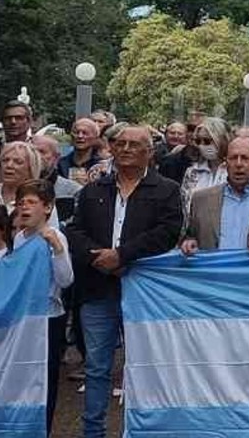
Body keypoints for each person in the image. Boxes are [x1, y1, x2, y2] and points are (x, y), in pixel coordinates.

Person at [65, 124, 182, 438]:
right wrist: (96, 257)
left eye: (135, 144)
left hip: (144, 292)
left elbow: (168, 232)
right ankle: (93, 432)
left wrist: (123, 255)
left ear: (149, 152)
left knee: (146, 366)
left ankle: (144, 430)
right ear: (112, 149)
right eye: (121, 143)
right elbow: (74, 231)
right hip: (98, 288)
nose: (127, 149)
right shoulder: (93, 190)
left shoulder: (167, 190)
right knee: (97, 368)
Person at [12, 179, 73, 436]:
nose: (24, 208)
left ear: (47, 208)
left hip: (48, 317)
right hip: (23, 318)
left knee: (45, 378)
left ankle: (43, 429)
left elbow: (66, 279)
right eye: (20, 203)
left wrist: (57, 250)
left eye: (31, 202)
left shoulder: (55, 236)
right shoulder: (18, 237)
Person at [0, 141, 59, 229]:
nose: (9, 165)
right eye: (5, 160)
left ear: (31, 168)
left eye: (18, 162)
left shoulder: (42, 201)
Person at [180, 117, 231, 211]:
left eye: (207, 141)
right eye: (198, 141)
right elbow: (185, 205)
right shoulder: (192, 172)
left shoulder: (233, 170)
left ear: (222, 140)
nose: (202, 145)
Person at [31, 134, 84, 219]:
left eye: (41, 152)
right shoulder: (16, 186)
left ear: (56, 158)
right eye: (32, 152)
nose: (36, 156)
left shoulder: (73, 191)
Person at [58, 118, 103, 185]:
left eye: (85, 133)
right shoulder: (60, 164)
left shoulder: (101, 165)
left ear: (95, 137)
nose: (80, 136)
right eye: (76, 132)